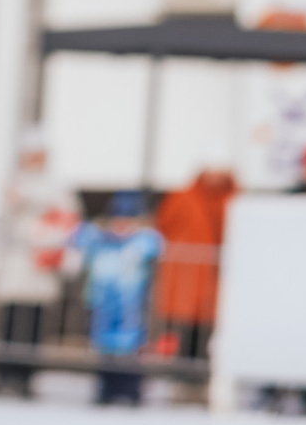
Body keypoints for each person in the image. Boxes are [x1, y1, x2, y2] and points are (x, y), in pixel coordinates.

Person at [0, 127, 76, 397]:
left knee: (35, 322)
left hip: (41, 266)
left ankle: (26, 376)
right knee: (10, 321)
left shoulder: (57, 188)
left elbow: (69, 224)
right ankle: (4, 373)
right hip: (13, 264)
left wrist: (62, 257)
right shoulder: (10, 186)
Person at [71, 191, 163, 407]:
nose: (122, 225)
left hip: (131, 306)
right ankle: (106, 389)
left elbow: (156, 244)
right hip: (103, 305)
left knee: (130, 350)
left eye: (128, 219)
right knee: (105, 350)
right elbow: (77, 237)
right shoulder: (100, 240)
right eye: (118, 219)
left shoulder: (141, 241)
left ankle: (130, 390)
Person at [152, 167, 235, 363]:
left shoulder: (232, 200)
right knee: (183, 335)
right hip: (187, 282)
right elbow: (165, 225)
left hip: (215, 282)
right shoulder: (184, 198)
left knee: (209, 337)